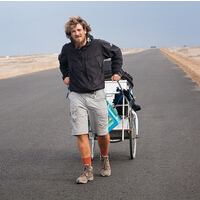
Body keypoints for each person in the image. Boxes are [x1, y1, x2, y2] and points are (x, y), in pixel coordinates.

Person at [59, 16, 122, 184]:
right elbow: (62, 63)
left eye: (79, 30)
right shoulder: (67, 49)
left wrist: (117, 72)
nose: (77, 33)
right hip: (76, 95)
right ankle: (87, 170)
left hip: (96, 94)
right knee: (81, 132)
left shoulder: (99, 45)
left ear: (85, 30)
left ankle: (104, 158)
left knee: (102, 133)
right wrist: (65, 75)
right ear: (70, 34)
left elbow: (117, 53)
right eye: (73, 32)